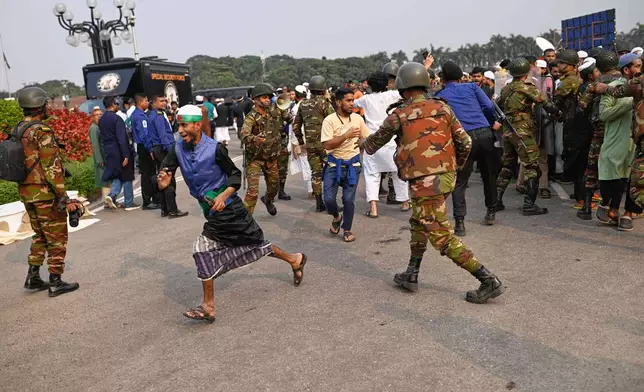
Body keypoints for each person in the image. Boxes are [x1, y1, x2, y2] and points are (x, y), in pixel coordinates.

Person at [359, 62, 505, 303]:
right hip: (446, 178)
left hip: (423, 182)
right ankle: (412, 274)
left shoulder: (399, 115)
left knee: (440, 236)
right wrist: (454, 167)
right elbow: (465, 143)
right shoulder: (443, 108)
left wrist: (361, 142)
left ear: (403, 87)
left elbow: (373, 145)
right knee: (419, 222)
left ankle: (487, 279)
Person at [156, 105, 307, 323]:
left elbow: (234, 176)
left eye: (184, 125)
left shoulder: (215, 149)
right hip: (210, 211)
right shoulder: (177, 149)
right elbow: (165, 174)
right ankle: (295, 259)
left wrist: (223, 196)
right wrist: (163, 184)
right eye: (178, 125)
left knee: (206, 249)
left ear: (198, 125)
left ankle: (208, 306)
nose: (180, 130)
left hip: (230, 209)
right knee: (253, 245)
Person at [16, 86, 81, 297]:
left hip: (27, 193)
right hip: (45, 194)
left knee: (40, 236)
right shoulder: (40, 131)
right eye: (45, 103)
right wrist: (64, 197)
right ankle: (56, 281)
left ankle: (33, 277)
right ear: (39, 106)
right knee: (57, 237)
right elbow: (52, 168)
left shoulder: (19, 129)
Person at [435, 61, 501, 234]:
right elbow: (488, 106)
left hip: (462, 139)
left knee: (460, 182)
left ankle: (460, 222)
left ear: (444, 78)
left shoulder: (441, 95)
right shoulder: (472, 87)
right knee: (489, 176)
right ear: (460, 76)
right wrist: (489, 121)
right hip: (485, 134)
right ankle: (491, 212)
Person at [496, 57, 559, 216]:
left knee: (507, 166)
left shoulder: (506, 88)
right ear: (526, 72)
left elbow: (498, 104)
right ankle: (529, 205)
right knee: (532, 167)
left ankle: (496, 201)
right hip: (522, 132)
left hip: (508, 131)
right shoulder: (528, 87)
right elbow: (546, 104)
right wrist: (559, 113)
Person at [354, 71, 410, 218]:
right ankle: (405, 202)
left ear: (370, 85)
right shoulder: (392, 95)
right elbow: (410, 87)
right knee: (398, 172)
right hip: (390, 140)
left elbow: (352, 104)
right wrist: (426, 67)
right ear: (386, 84)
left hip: (372, 142)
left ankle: (373, 208)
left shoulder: (365, 99)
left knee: (371, 175)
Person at [596, 53, 642, 231]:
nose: (640, 70)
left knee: (637, 180)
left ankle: (628, 214)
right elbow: (604, 114)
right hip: (617, 140)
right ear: (626, 69)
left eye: (641, 66)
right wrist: (630, 101)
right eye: (636, 66)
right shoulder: (612, 88)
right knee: (613, 178)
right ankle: (610, 206)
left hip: (638, 141)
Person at [321, 88, 370, 243]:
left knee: (348, 200)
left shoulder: (358, 119)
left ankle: (347, 229)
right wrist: (345, 136)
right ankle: (336, 216)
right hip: (333, 165)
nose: (352, 104)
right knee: (328, 200)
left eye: (352, 100)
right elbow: (327, 145)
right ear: (339, 102)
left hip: (352, 165)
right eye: (348, 101)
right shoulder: (329, 120)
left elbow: (366, 138)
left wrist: (361, 143)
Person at [240, 83, 291, 215]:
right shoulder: (251, 116)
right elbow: (244, 134)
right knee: (252, 192)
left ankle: (268, 199)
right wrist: (254, 138)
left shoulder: (276, 110)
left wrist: (286, 112)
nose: (268, 100)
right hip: (255, 159)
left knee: (274, 188)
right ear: (256, 99)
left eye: (269, 97)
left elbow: (289, 119)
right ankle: (245, 221)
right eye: (264, 98)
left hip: (272, 157)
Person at [292, 75, 336, 211]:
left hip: (310, 145)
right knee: (331, 171)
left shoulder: (303, 104)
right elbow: (334, 122)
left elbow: (295, 126)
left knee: (315, 174)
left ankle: (319, 203)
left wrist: (301, 142)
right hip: (325, 145)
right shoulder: (325, 104)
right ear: (323, 89)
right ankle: (331, 202)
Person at [148, 95, 189, 218]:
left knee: (162, 177)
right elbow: (163, 135)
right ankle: (172, 210)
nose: (164, 103)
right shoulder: (159, 116)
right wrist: (171, 150)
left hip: (157, 148)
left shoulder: (152, 115)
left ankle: (165, 209)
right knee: (168, 178)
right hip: (164, 148)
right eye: (161, 101)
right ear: (154, 103)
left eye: (165, 101)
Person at [99, 96, 140, 211]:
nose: (118, 106)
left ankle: (112, 196)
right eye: (117, 103)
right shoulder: (117, 119)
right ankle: (128, 202)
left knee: (117, 174)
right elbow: (122, 138)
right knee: (127, 176)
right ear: (113, 104)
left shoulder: (101, 120)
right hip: (119, 150)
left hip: (109, 151)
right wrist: (126, 155)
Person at [130, 94, 160, 211]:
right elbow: (144, 135)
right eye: (146, 100)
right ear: (141, 102)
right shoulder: (140, 116)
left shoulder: (135, 114)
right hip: (144, 147)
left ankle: (152, 199)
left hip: (141, 146)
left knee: (148, 173)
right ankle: (148, 201)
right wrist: (150, 149)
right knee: (148, 174)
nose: (148, 102)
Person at [88, 107, 110, 205]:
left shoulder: (99, 127)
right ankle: (107, 201)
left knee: (107, 179)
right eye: (96, 115)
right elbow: (95, 145)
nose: (99, 116)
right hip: (100, 159)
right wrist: (99, 159)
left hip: (105, 157)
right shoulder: (93, 128)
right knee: (104, 180)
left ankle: (108, 200)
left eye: (100, 114)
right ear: (92, 117)